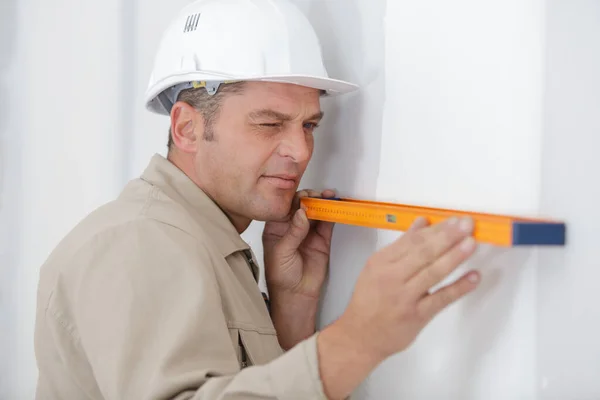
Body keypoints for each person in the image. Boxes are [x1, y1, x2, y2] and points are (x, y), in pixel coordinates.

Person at [33, 0, 481, 399]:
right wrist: (358, 340)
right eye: (269, 124)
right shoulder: (137, 243)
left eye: (308, 126)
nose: (301, 152)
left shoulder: (205, 244)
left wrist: (290, 315)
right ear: (187, 128)